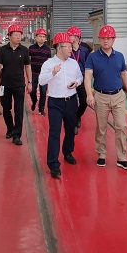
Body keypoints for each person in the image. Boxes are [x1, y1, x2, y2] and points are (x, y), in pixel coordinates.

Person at [85, 25, 127, 170]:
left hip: (118, 95)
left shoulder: (119, 56)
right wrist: (89, 94)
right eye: (103, 38)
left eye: (108, 38)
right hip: (101, 96)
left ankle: (122, 158)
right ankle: (101, 154)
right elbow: (87, 76)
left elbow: (124, 74)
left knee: (121, 126)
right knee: (101, 127)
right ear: (99, 39)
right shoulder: (92, 57)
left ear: (113, 40)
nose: (106, 41)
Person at [39, 32, 83, 178]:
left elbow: (80, 77)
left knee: (70, 129)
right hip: (55, 103)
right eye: (68, 46)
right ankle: (53, 164)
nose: (71, 49)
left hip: (71, 101)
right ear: (59, 47)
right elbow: (41, 81)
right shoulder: (48, 64)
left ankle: (67, 152)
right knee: (54, 133)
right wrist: (52, 73)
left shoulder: (73, 63)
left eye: (71, 45)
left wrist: (77, 82)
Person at [0, 24, 32, 146]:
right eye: (16, 35)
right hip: (5, 84)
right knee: (6, 108)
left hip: (19, 84)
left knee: (19, 110)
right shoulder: (3, 50)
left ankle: (17, 135)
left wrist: (30, 82)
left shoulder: (24, 50)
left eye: (20, 35)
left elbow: (28, 67)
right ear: (9, 36)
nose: (18, 37)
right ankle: (10, 128)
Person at [67, 26, 90, 134]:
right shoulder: (67, 50)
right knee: (72, 103)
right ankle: (74, 123)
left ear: (76, 37)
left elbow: (89, 64)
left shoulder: (85, 50)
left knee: (84, 102)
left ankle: (77, 115)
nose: (68, 37)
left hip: (82, 80)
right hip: (70, 79)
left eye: (70, 36)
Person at [29, 28, 51, 115]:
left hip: (44, 75)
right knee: (32, 91)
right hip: (33, 74)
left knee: (43, 92)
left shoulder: (47, 49)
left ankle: (41, 109)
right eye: (40, 36)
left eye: (43, 37)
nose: (42, 38)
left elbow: (49, 62)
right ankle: (34, 101)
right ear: (36, 37)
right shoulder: (31, 48)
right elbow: (28, 62)